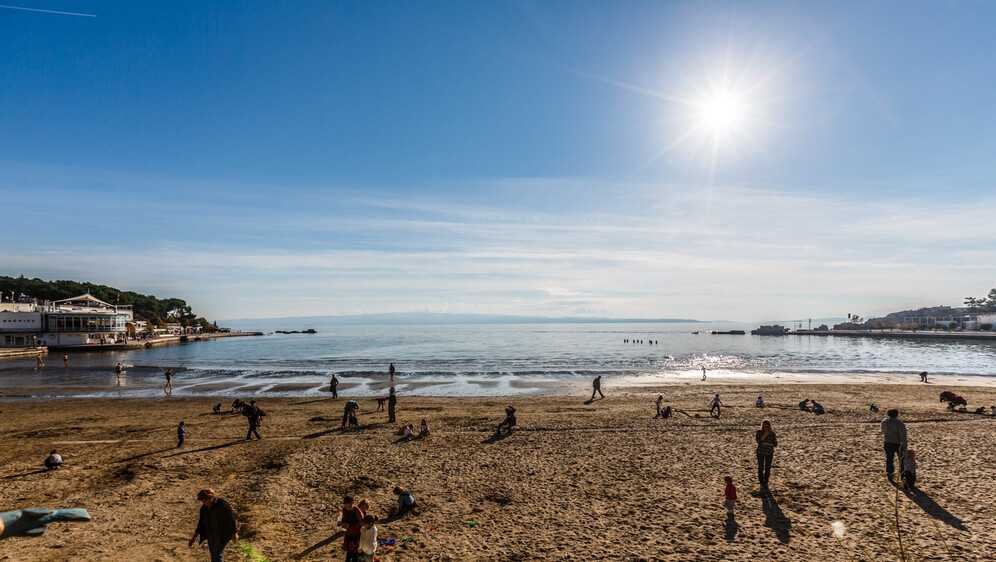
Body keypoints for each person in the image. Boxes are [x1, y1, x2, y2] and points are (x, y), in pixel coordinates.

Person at [188, 489, 238, 562]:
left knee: (217, 554)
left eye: (204, 501)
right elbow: (201, 522)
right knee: (214, 555)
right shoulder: (204, 508)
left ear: (211, 498)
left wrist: (234, 533)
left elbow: (231, 519)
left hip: (223, 534)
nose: (203, 503)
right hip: (211, 534)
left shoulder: (222, 505)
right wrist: (194, 537)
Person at [881, 409, 908, 481]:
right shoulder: (900, 423)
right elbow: (903, 436)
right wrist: (905, 446)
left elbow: (883, 430)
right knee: (902, 460)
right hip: (898, 443)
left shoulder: (884, 422)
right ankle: (902, 473)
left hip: (888, 442)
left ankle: (889, 473)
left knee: (889, 458)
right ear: (896, 415)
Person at [339, 496, 364, 562]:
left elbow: (361, 521)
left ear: (353, 503)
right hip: (349, 533)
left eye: (350, 506)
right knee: (349, 552)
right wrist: (344, 524)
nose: (348, 508)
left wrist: (352, 526)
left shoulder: (356, 510)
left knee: (355, 553)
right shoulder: (344, 509)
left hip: (357, 534)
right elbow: (343, 519)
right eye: (346, 506)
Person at [755, 419, 777, 490]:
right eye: (764, 427)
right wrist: (765, 435)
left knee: (767, 468)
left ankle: (766, 482)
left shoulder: (772, 434)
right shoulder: (759, 432)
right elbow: (758, 440)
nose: (765, 428)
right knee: (761, 467)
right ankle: (761, 482)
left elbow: (775, 444)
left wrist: (767, 443)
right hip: (760, 451)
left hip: (769, 452)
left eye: (767, 427)